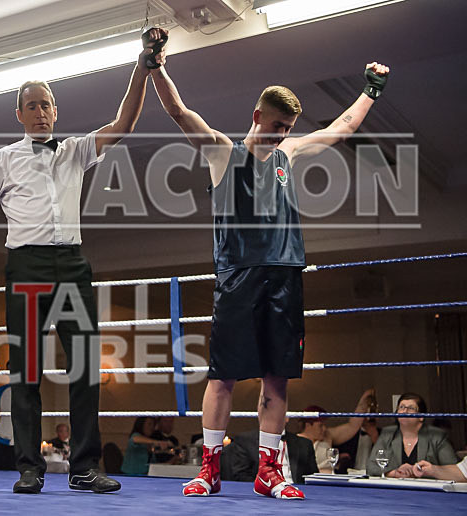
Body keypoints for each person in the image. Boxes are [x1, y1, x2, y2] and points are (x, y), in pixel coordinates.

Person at [149, 31, 390, 499]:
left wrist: (371, 91)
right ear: (258, 115)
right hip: (238, 277)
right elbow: (180, 113)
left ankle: (269, 470)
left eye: (288, 127)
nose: (282, 134)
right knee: (222, 377)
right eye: (277, 125)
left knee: (276, 376)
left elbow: (341, 128)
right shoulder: (223, 151)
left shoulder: (289, 154)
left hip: (284, 276)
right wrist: (156, 65)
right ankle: (209, 468)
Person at [0, 30, 167, 494]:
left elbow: (123, 121)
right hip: (26, 265)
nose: (41, 112)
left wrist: (142, 65)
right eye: (32, 105)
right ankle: (29, 467)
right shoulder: (3, 159)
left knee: (86, 366)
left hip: (72, 264)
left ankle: (84, 468)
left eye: (47, 104)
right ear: (19, 115)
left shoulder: (75, 150)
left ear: (55, 111)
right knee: (25, 371)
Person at [366, 393, 458, 478]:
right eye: (401, 407)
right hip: (395, 489)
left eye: (411, 408)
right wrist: (395, 473)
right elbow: (371, 467)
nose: (404, 411)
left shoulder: (437, 436)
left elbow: (453, 470)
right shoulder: (387, 433)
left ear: (421, 417)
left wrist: (420, 471)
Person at [297, 389, 376, 473]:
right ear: (308, 425)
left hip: (329, 479)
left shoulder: (327, 435)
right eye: (320, 425)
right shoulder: (296, 441)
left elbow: (352, 426)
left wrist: (363, 402)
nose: (324, 428)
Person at [221, 427, 318, 485]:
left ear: (287, 417)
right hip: (261, 491)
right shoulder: (245, 440)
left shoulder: (304, 444)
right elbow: (240, 475)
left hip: (297, 490)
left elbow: (313, 477)